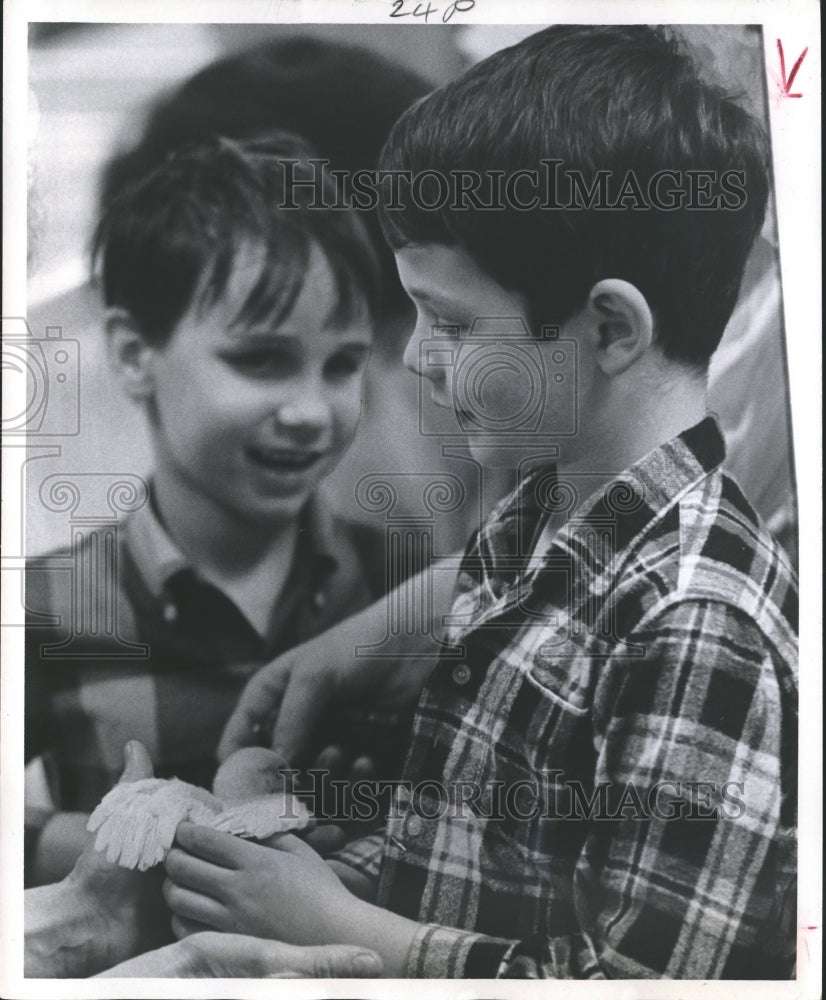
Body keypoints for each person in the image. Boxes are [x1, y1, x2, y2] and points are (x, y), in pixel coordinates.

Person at [170, 25, 798, 979]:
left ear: (610, 328)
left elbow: (638, 985)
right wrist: (298, 853)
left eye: (452, 323)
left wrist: (338, 925)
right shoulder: (536, 525)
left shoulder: (698, 623)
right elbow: (470, 856)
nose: (417, 356)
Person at [24, 133, 387, 886]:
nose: (311, 411)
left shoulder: (402, 590)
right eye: (261, 360)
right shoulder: (46, 607)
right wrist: (126, 843)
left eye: (342, 364)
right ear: (134, 354)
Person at [24, 741, 382, 979]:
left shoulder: (184, 796)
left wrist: (88, 908)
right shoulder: (283, 811)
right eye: (281, 772)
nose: (293, 779)